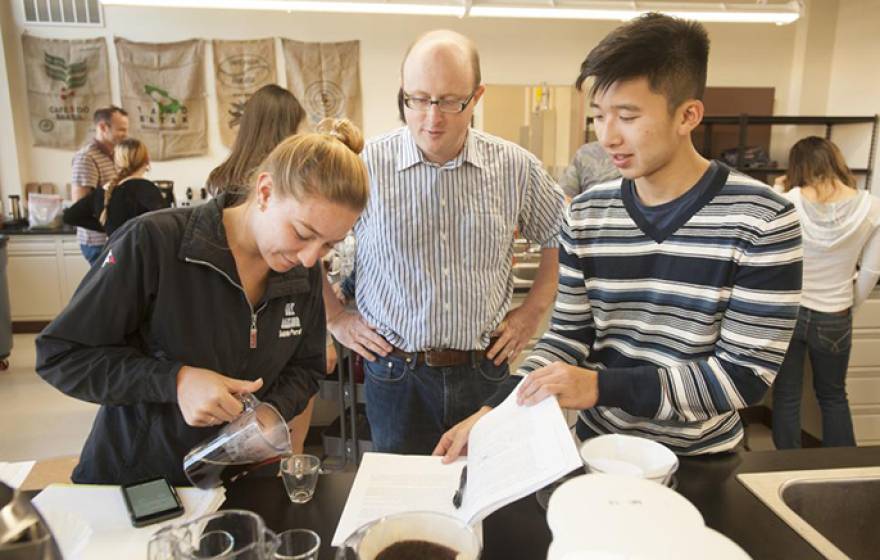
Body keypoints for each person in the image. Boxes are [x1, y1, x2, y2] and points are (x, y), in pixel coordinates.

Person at [435, 13, 803, 461]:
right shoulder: (588, 214)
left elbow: (742, 375)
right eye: (599, 116)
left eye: (627, 116)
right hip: (601, 453)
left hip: (700, 459)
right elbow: (565, 339)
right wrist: (496, 410)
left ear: (688, 115)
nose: (607, 137)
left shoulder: (763, 219)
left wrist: (598, 386)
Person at [35, 118, 369, 485]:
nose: (310, 258)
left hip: (236, 482)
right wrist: (175, 380)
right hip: (140, 481)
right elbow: (61, 355)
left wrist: (274, 411)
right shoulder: (154, 243)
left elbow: (306, 368)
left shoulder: (300, 271)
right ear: (265, 191)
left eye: (329, 245)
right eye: (303, 234)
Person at [325, 30, 564, 454]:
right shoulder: (365, 167)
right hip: (396, 373)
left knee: (486, 494)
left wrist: (533, 310)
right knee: (401, 503)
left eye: (452, 102)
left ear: (477, 97)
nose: (433, 118)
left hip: (484, 370)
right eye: (417, 99)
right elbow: (304, 240)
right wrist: (335, 318)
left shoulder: (514, 168)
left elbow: (560, 236)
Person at [203, 83, 323, 454]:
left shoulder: (219, 177)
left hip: (251, 336)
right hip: (269, 335)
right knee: (285, 444)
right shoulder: (276, 191)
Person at [772, 137, 880, 449]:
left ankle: (784, 469)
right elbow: (871, 272)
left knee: (786, 395)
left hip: (790, 314)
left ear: (797, 166)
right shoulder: (872, 207)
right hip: (835, 315)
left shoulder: (788, 201)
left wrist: (781, 188)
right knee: (833, 395)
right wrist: (847, 305)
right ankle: (842, 470)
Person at [64, 138, 166, 237]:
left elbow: (70, 216)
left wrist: (107, 226)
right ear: (147, 160)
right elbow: (164, 226)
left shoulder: (104, 191)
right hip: (141, 252)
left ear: (116, 162)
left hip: (114, 252)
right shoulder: (148, 190)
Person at [70, 106, 129, 265]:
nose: (125, 134)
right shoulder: (87, 158)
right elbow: (80, 207)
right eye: (121, 130)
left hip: (113, 238)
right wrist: (109, 227)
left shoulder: (114, 155)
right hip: (98, 242)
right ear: (103, 127)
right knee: (109, 288)